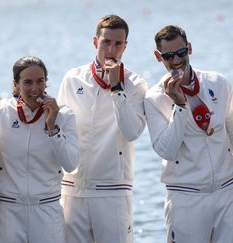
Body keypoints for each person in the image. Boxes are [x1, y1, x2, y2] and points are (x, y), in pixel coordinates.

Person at [144, 25, 233, 243]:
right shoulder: (154, 97)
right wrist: (179, 106)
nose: (176, 60)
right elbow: (166, 150)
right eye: (168, 56)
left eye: (181, 52)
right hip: (186, 197)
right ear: (158, 57)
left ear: (190, 49)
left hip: (227, 192)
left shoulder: (218, 82)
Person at [57, 15, 147, 243]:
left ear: (125, 47)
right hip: (72, 188)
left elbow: (132, 132)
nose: (111, 49)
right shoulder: (72, 78)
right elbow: (60, 132)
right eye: (106, 42)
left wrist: (117, 89)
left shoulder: (135, 84)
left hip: (113, 190)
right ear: (95, 42)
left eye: (118, 44)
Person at [0, 55, 79, 242]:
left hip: (47, 210)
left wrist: (52, 127)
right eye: (27, 82)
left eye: (40, 81)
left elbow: (71, 164)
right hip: (9, 211)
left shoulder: (64, 115)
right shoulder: (1, 112)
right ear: (16, 85)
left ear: (47, 83)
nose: (34, 89)